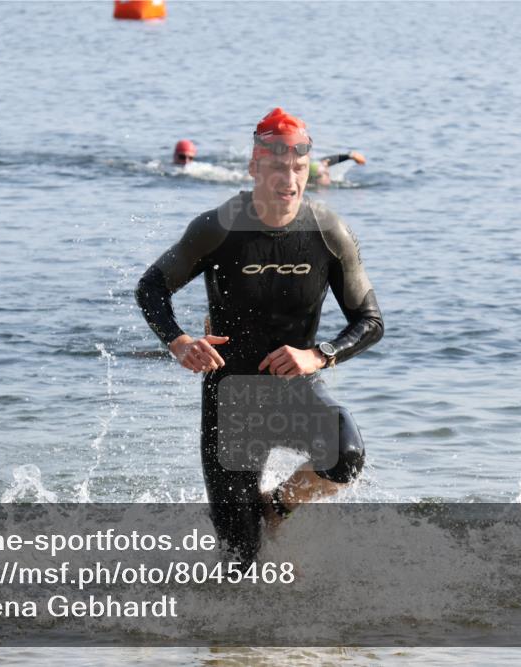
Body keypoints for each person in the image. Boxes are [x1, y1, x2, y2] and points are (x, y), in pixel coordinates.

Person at [137, 108, 383, 562]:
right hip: (230, 407)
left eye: (298, 168)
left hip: (296, 391)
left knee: (345, 457)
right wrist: (179, 341)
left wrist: (319, 355)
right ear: (254, 167)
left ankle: (278, 505)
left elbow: (370, 321)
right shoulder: (218, 227)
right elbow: (151, 287)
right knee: (240, 563)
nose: (288, 180)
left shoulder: (329, 231)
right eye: (276, 167)